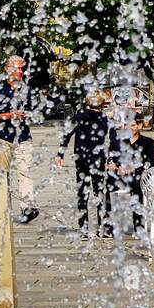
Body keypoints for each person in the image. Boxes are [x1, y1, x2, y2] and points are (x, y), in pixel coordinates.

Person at [0, 55, 39, 224]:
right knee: (2, 174)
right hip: (2, 138)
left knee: (24, 172)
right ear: (7, 70)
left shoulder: (26, 90)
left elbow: (35, 111)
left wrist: (28, 115)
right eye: (17, 69)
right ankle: (2, 208)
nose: (20, 72)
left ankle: (27, 207)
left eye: (22, 69)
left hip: (23, 137)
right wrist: (9, 115)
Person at [58, 91, 114, 238]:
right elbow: (114, 139)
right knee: (101, 193)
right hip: (98, 160)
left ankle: (84, 228)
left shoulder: (79, 115)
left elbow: (67, 134)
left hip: (81, 159)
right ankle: (105, 228)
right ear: (102, 103)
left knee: (83, 193)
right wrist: (114, 159)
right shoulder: (104, 118)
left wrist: (60, 154)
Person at [108, 114, 154, 232]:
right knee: (106, 184)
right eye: (127, 125)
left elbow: (151, 163)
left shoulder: (148, 142)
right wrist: (114, 167)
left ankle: (138, 223)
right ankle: (107, 224)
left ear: (139, 126)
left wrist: (134, 168)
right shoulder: (119, 143)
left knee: (137, 183)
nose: (130, 128)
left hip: (139, 176)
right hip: (121, 176)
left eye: (133, 125)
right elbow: (112, 159)